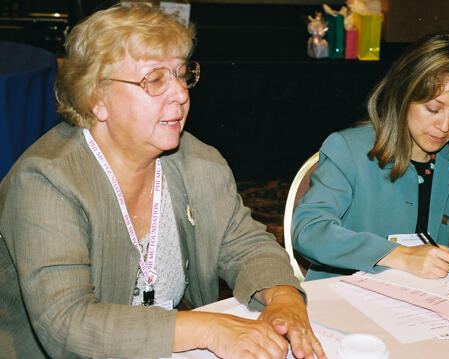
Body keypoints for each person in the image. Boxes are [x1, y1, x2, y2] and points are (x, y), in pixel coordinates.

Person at [0, 4, 326, 359]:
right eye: (154, 79)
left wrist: (284, 297)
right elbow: (67, 323)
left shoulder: (199, 162)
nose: (181, 94)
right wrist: (207, 328)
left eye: (181, 73)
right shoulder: (46, 181)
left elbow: (246, 244)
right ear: (97, 100)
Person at [292, 32, 449, 281]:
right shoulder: (348, 149)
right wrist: (400, 256)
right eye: (433, 109)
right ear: (403, 95)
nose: (445, 125)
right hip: (345, 299)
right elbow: (309, 232)